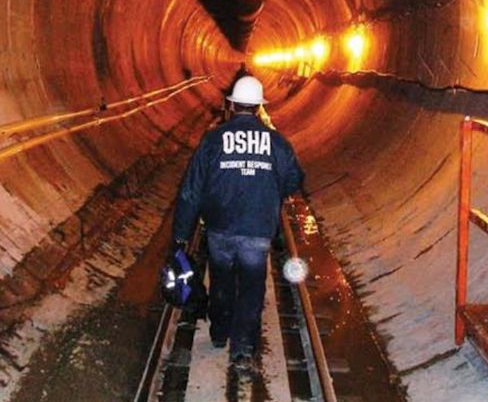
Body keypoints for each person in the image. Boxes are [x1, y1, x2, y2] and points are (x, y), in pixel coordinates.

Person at [172, 75, 304, 372]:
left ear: (231, 105)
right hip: (257, 230)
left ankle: (219, 333)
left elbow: (191, 191)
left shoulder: (213, 140)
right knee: (251, 289)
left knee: (221, 280)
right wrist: (271, 191)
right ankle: (243, 350)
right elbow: (296, 178)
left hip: (220, 228)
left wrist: (181, 236)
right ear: (259, 108)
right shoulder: (276, 143)